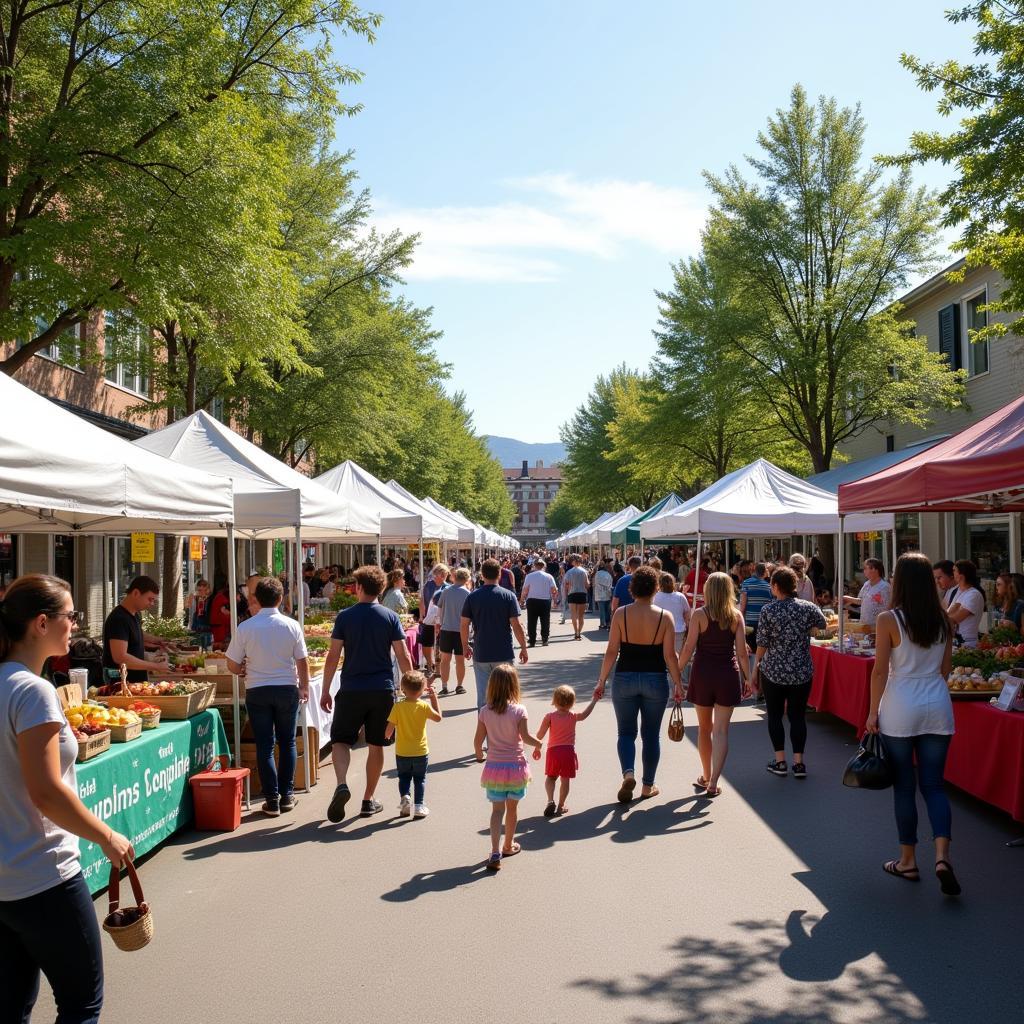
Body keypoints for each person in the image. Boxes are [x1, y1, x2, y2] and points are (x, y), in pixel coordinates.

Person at [1, 574, 134, 1024]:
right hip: (43, 873)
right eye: (70, 615)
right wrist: (107, 835)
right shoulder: (31, 690)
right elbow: (46, 792)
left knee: (11, 1006)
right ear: (41, 623)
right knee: (81, 1005)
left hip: (5, 877)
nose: (76, 624)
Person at [865, 553, 960, 896]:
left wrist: (872, 712)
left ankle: (907, 860)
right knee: (934, 786)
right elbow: (946, 670)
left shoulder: (889, 619)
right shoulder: (944, 620)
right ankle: (942, 857)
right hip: (937, 706)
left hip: (900, 707)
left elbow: (879, 671)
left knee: (904, 786)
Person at [319, 566, 412, 822]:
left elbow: (333, 657)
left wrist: (326, 689)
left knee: (340, 740)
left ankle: (341, 783)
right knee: (376, 744)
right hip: (381, 689)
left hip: (351, 689)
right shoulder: (390, 617)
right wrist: (412, 687)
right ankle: (368, 800)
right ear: (382, 589)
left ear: (359, 588)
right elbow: (403, 655)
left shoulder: (345, 617)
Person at [594, 566, 683, 802]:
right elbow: (670, 656)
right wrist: (678, 683)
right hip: (655, 678)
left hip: (624, 678)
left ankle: (628, 772)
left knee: (625, 733)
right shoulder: (665, 617)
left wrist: (601, 680)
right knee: (651, 736)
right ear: (656, 588)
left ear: (632, 589)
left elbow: (612, 651)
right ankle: (648, 785)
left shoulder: (620, 614)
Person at [226, 577, 310, 816]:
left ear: (257, 600)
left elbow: (231, 663)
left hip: (257, 689)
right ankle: (287, 795)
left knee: (265, 745)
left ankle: (271, 799)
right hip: (285, 688)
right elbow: (302, 660)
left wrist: (241, 669)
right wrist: (303, 687)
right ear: (281, 599)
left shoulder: (245, 627)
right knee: (287, 742)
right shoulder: (292, 625)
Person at [677, 573, 751, 798]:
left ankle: (706, 774)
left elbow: (689, 648)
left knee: (704, 728)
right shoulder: (736, 616)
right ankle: (714, 781)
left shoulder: (700, 614)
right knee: (721, 731)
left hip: (703, 673)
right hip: (727, 674)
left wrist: (676, 672)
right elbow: (741, 653)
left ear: (708, 591)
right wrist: (748, 678)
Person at [473, 664, 543, 870]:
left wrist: (479, 756)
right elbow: (526, 737)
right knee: (512, 809)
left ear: (491, 686)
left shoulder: (485, 712)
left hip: (494, 768)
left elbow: (478, 741)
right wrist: (538, 744)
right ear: (514, 685)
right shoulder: (519, 710)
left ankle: (494, 851)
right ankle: (508, 845)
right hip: (515, 768)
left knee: (496, 811)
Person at [461, 559, 528, 708]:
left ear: (482, 575)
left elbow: (464, 624)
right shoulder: (508, 596)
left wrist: (465, 646)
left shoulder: (472, 597)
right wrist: (523, 647)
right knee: (507, 697)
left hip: (482, 652)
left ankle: (485, 730)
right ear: (499, 574)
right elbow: (516, 625)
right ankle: (506, 729)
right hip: (503, 652)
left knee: (484, 699)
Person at [385, 670, 442, 819]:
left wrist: (388, 736)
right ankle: (418, 806)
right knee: (419, 779)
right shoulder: (423, 706)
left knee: (403, 778)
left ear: (403, 689)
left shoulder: (398, 707)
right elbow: (438, 718)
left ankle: (405, 798)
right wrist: (434, 697)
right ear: (423, 689)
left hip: (402, 751)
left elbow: (388, 731)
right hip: (420, 751)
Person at [535, 684, 599, 817]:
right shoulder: (573, 716)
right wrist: (594, 700)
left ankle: (550, 800)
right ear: (572, 702)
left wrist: (537, 748)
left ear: (554, 701)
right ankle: (561, 805)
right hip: (568, 752)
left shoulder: (549, 717)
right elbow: (585, 714)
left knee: (551, 778)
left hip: (553, 752)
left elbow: (540, 735)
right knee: (565, 780)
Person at [101, 575, 169, 682]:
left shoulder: (134, 614)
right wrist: (155, 666)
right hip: (120, 684)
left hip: (134, 682)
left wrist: (159, 640)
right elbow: (120, 657)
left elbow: (136, 634)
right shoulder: (118, 619)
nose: (151, 604)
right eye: (150, 599)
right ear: (136, 593)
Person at [435, 568, 472, 695]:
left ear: (454, 577)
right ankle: (459, 685)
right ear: (467, 579)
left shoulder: (446, 591)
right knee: (460, 660)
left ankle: (444, 686)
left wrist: (438, 623)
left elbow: (439, 609)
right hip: (461, 630)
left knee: (445, 659)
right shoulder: (467, 593)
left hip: (446, 629)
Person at [945, 559, 985, 648]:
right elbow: (949, 613)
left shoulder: (974, 594)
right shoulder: (959, 591)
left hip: (968, 644)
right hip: (956, 642)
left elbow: (955, 619)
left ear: (961, 576)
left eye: (954, 571)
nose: (952, 574)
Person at [842, 558, 891, 630]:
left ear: (874, 569)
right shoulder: (866, 584)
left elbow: (888, 608)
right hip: (864, 625)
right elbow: (860, 601)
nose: (863, 571)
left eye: (865, 568)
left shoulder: (885, 587)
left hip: (877, 626)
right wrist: (845, 598)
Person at [520, 559, 557, 647]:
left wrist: (522, 600)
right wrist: (555, 601)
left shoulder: (530, 576)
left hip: (532, 600)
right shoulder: (549, 576)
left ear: (535, 566)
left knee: (532, 621)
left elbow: (525, 589)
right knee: (545, 620)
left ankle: (532, 641)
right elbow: (554, 590)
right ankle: (545, 639)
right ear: (544, 566)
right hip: (545, 601)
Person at [420, 564, 450, 676]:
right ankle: (429, 665)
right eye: (443, 574)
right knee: (426, 643)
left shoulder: (447, 587)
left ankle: (438, 668)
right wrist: (421, 616)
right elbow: (422, 600)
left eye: (446, 574)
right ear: (438, 574)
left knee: (440, 645)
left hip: (441, 619)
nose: (445, 576)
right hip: (428, 619)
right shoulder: (428, 585)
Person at [653, 571, 690, 656]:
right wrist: (688, 628)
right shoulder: (680, 596)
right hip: (678, 631)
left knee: (661, 656)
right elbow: (687, 614)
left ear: (660, 584)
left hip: (660, 631)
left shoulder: (655, 597)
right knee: (675, 656)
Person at [563, 554, 591, 641]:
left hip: (572, 594)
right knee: (581, 616)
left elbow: (566, 584)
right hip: (582, 594)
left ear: (573, 562)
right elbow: (587, 585)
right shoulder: (584, 571)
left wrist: (566, 593)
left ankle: (576, 632)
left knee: (574, 615)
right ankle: (579, 632)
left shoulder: (569, 572)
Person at [740, 562, 773, 631]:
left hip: (749, 622)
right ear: (765, 572)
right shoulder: (768, 586)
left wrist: (741, 622)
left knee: (749, 641)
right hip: (763, 622)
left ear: (755, 571)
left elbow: (743, 605)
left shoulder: (746, 583)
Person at [185, 578, 212, 647]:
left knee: (205, 649)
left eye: (204, 590)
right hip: (196, 628)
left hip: (206, 630)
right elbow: (187, 607)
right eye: (199, 590)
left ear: (208, 590)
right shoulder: (196, 599)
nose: (201, 592)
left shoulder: (210, 600)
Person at [209, 574, 233, 648]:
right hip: (221, 630)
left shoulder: (216, 597)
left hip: (217, 629)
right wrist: (233, 616)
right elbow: (224, 616)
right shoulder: (222, 599)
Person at [593, 559, 614, 629]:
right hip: (607, 594)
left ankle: (602, 624)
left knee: (601, 610)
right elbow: (610, 584)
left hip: (599, 595)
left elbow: (595, 583)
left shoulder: (597, 574)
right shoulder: (608, 574)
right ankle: (608, 622)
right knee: (607, 610)